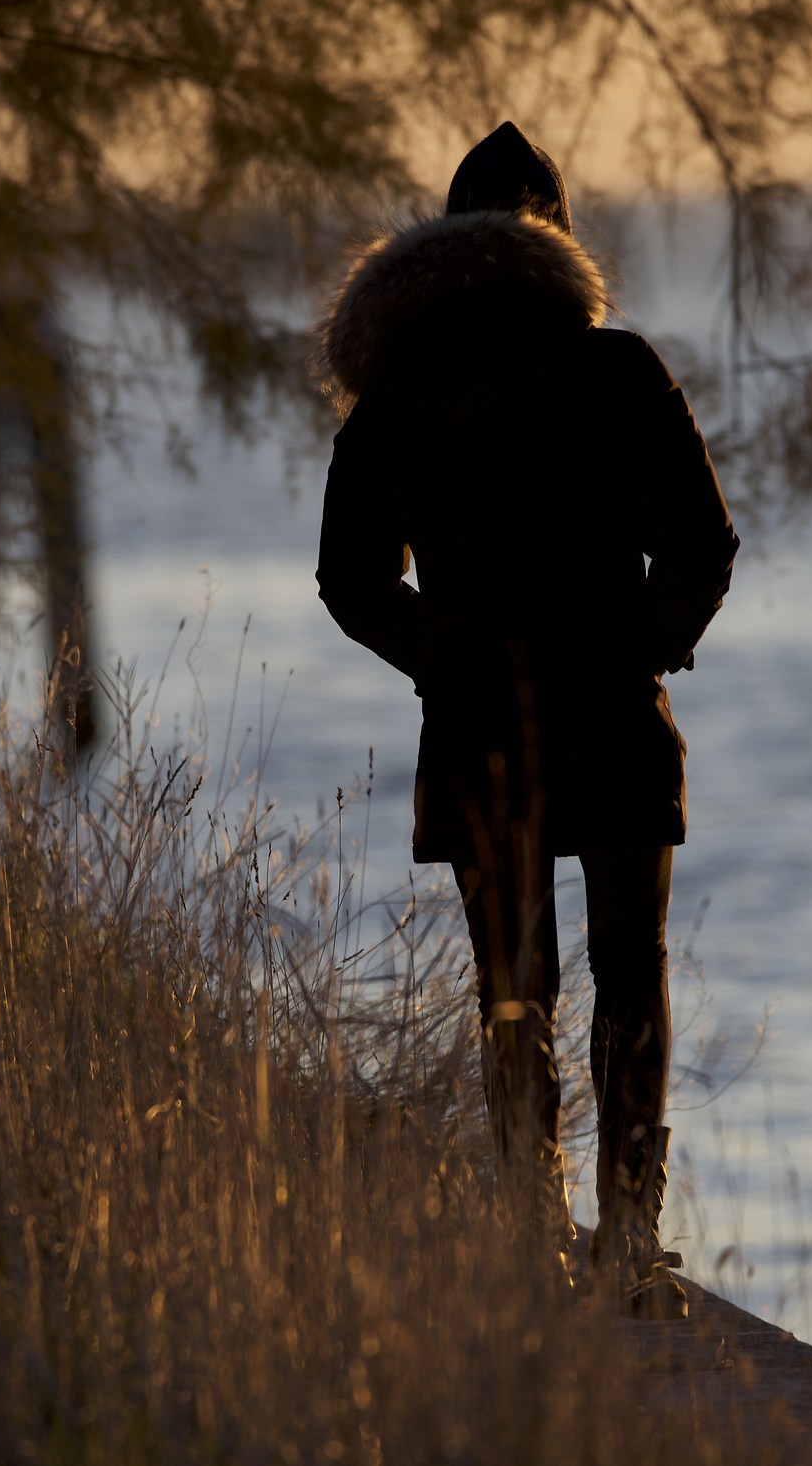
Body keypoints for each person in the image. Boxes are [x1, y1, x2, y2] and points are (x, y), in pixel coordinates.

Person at [315, 123, 739, 1319]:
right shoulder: (617, 368)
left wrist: (443, 663)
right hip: (613, 718)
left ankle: (533, 1234)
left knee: (516, 985)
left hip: (478, 728)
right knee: (631, 976)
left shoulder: (400, 394)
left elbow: (349, 582)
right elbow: (704, 548)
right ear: (557, 234)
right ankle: (630, 1242)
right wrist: (641, 647)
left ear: (450, 241)